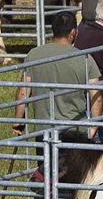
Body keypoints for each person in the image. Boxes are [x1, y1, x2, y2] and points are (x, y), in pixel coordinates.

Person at [14, 10, 98, 151]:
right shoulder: (84, 58)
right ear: (73, 32)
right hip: (75, 128)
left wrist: (17, 121)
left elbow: (23, 92)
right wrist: (94, 126)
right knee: (73, 172)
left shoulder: (33, 55)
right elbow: (96, 95)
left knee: (46, 170)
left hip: (44, 130)